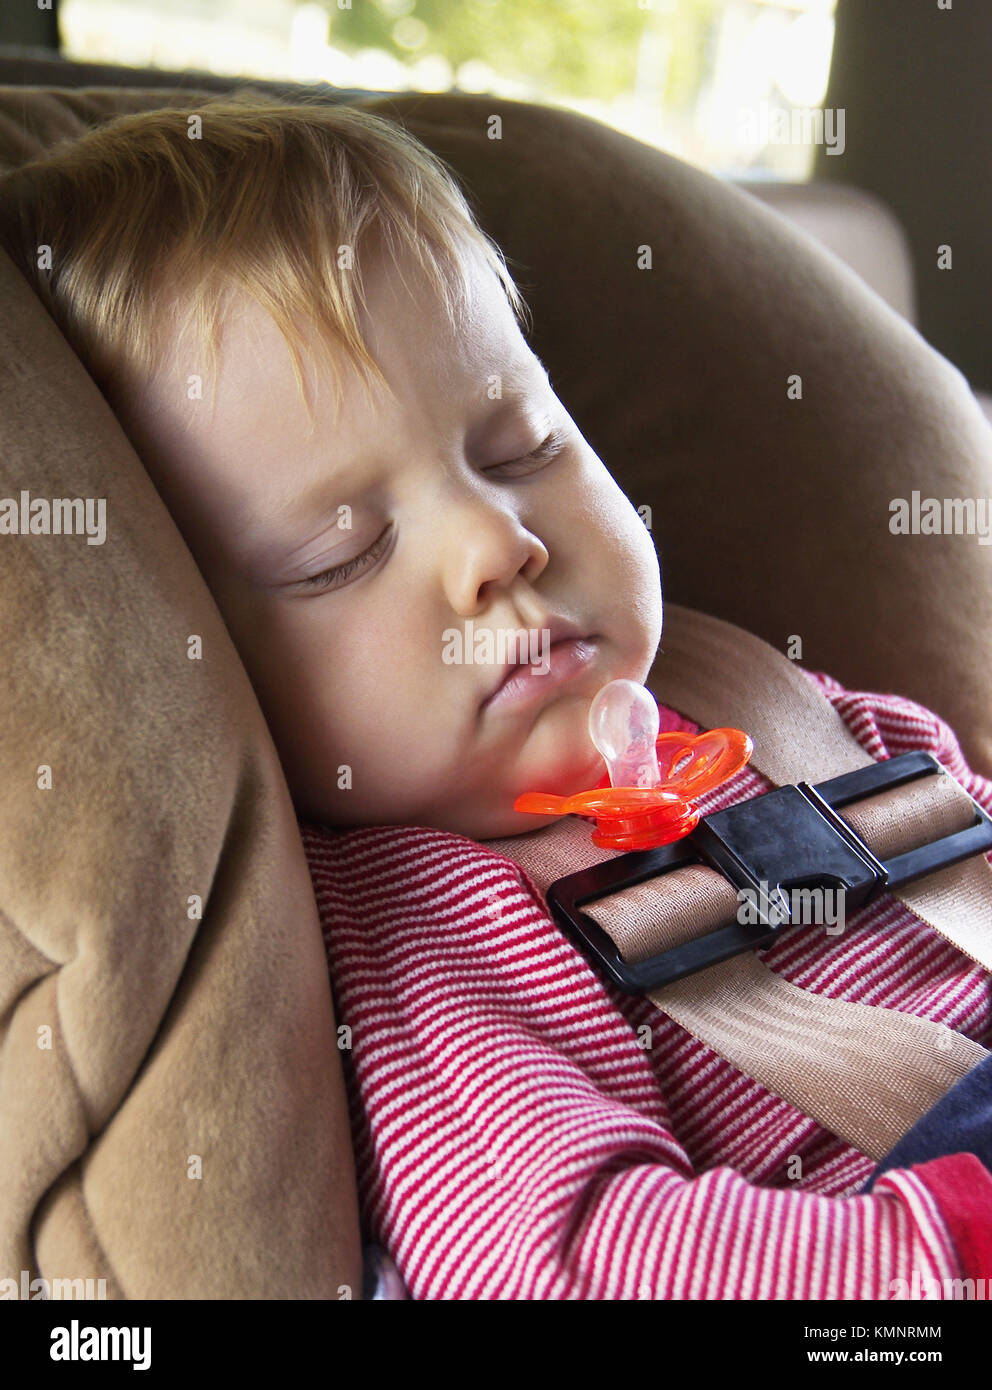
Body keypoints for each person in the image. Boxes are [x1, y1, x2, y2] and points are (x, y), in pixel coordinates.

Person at [1, 97, 989, 1300]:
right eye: (342, 551)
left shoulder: (773, 697)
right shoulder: (422, 930)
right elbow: (560, 1262)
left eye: (522, 446)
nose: (494, 541)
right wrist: (944, 1247)